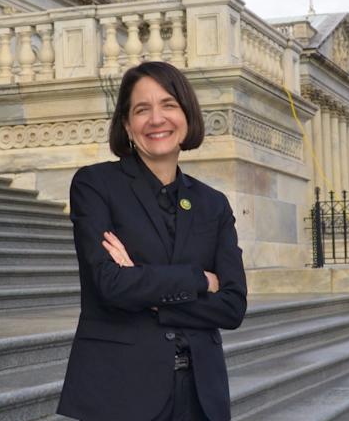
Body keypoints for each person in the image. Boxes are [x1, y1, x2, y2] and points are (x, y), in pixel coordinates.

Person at [57, 61, 248, 421]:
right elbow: (111, 285)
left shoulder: (213, 203)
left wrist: (152, 295)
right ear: (127, 125)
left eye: (169, 105)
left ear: (187, 116)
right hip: (121, 392)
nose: (156, 119)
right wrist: (199, 279)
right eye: (142, 109)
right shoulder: (95, 185)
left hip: (200, 394)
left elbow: (233, 306)